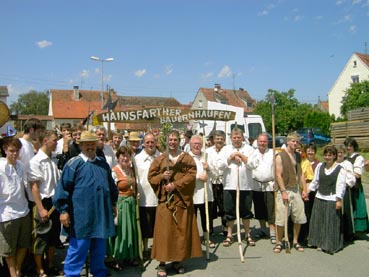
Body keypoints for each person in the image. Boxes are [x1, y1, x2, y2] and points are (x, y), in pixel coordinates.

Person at [53, 131, 118, 277]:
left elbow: (111, 186)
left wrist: (113, 203)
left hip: (101, 215)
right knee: (78, 250)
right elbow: (62, 189)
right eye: (86, 144)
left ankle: (99, 273)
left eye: (92, 144)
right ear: (80, 145)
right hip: (81, 217)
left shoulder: (102, 164)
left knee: (99, 251)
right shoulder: (73, 164)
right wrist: (63, 211)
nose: (90, 147)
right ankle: (71, 274)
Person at [148, 130, 202, 277]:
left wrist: (175, 185)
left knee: (179, 232)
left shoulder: (187, 159)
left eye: (175, 139)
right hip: (166, 202)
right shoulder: (161, 159)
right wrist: (161, 176)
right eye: (170, 139)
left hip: (181, 201)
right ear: (166, 141)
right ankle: (162, 263)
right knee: (164, 233)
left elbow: (191, 176)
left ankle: (178, 261)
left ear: (180, 141)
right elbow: (151, 176)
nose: (172, 142)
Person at [28, 130, 61, 277]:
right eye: (54, 140)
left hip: (54, 202)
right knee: (41, 238)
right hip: (43, 203)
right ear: (45, 141)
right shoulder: (36, 161)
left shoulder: (51, 159)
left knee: (53, 237)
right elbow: (34, 187)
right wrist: (41, 209)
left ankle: (50, 265)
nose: (56, 143)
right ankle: (39, 269)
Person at [216, 127, 256, 247]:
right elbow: (220, 165)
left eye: (239, 137)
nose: (237, 140)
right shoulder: (225, 149)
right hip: (230, 185)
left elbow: (253, 164)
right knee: (230, 211)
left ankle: (247, 234)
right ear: (231, 138)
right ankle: (229, 235)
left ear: (242, 137)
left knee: (246, 211)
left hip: (245, 186)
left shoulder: (249, 149)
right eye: (234, 137)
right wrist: (231, 157)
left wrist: (241, 155)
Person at [0, 137, 32, 277]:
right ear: (5, 150)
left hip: (23, 211)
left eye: (17, 151)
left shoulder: (20, 165)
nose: (14, 154)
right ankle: (14, 274)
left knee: (24, 244)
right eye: (12, 151)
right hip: (7, 213)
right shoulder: (0, 168)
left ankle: (17, 270)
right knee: (8, 249)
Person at [308, 145, 346, 254]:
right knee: (318, 221)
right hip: (320, 196)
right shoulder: (320, 166)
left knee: (330, 222)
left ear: (334, 156)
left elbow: (341, 185)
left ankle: (329, 244)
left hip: (332, 198)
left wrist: (339, 200)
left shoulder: (340, 169)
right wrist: (307, 192)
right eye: (326, 155)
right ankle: (317, 242)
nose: (327, 157)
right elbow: (315, 182)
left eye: (330, 155)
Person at [274, 132, 307, 253]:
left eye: (297, 141)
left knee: (298, 217)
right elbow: (278, 175)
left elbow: (300, 173)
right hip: (284, 189)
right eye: (293, 141)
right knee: (281, 218)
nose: (295, 143)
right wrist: (283, 191)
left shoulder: (298, 156)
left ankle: (295, 241)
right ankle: (278, 242)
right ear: (287, 142)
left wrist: (305, 189)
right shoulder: (280, 156)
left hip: (295, 189)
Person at [111, 146, 139, 267]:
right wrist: (114, 207)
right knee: (121, 231)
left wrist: (135, 193)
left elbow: (135, 186)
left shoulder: (131, 170)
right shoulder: (114, 171)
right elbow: (112, 190)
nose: (125, 158)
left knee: (131, 230)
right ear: (118, 158)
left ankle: (130, 255)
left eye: (127, 155)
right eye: (122, 156)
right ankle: (118, 258)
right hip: (120, 203)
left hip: (131, 202)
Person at [133, 132, 161, 258]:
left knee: (157, 225)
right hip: (143, 196)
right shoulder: (136, 159)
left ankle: (156, 247)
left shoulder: (161, 157)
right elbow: (133, 176)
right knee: (144, 224)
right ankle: (144, 248)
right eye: (147, 142)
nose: (150, 144)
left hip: (158, 196)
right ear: (143, 144)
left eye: (152, 142)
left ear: (156, 143)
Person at [248, 133, 276, 244]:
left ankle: (272, 232)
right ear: (257, 142)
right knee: (259, 209)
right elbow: (249, 165)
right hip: (256, 185)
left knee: (271, 209)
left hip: (269, 185)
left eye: (264, 141)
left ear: (267, 142)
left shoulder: (273, 153)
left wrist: (276, 182)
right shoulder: (253, 153)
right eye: (260, 141)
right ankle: (263, 229)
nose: (262, 143)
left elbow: (277, 168)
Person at [189, 135, 215, 248]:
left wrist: (208, 168)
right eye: (194, 143)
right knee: (192, 217)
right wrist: (197, 177)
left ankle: (206, 237)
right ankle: (193, 238)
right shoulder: (186, 157)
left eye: (199, 143)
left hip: (206, 192)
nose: (197, 145)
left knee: (206, 216)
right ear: (190, 145)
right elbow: (184, 175)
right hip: (193, 193)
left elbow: (215, 175)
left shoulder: (207, 156)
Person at [344, 137, 369, 237]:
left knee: (356, 208)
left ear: (354, 147)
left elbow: (357, 174)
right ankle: (349, 229)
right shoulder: (345, 158)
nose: (348, 147)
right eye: (347, 146)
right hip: (346, 187)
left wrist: (345, 176)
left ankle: (357, 230)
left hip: (355, 187)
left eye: (350, 146)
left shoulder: (358, 158)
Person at [206, 130, 227, 234]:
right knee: (211, 206)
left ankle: (225, 226)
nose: (219, 141)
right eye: (217, 139)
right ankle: (210, 228)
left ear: (224, 140)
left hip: (224, 181)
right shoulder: (208, 151)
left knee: (224, 205)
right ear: (213, 140)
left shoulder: (228, 150)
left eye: (221, 139)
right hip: (211, 181)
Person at [336, 145, 356, 242]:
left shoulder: (347, 164)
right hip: (334, 190)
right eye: (338, 152)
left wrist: (345, 184)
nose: (339, 154)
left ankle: (347, 234)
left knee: (345, 211)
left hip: (345, 190)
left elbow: (352, 178)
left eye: (341, 152)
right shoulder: (333, 163)